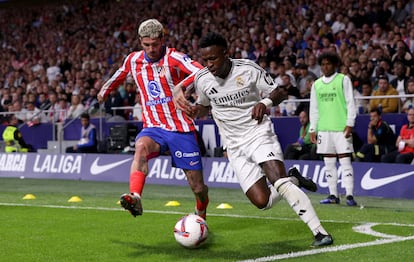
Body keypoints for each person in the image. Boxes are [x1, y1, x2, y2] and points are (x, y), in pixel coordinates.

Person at [174, 32, 333, 247]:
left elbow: (280, 93)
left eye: (213, 58)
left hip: (258, 133)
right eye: (205, 60)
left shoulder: (247, 69)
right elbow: (205, 105)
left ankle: (320, 233)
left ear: (226, 53)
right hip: (234, 145)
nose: (209, 64)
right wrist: (196, 111)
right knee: (262, 201)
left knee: (278, 179)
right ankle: (294, 178)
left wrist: (264, 102)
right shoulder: (203, 79)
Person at [97, 19, 210, 219]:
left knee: (197, 186)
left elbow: (202, 71)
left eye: (155, 44)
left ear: (162, 40)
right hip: (153, 127)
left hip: (180, 128)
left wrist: (181, 86)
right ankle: (135, 197)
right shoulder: (133, 60)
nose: (151, 49)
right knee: (140, 146)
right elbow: (119, 75)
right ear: (140, 41)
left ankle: (201, 210)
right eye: (146, 45)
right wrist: (105, 90)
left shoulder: (174, 58)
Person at [309, 52, 358, 206]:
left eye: (328, 63)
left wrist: (350, 122)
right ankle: (333, 195)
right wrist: (313, 128)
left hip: (341, 128)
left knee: (345, 161)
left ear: (335, 64)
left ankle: (349, 195)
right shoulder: (316, 84)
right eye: (322, 64)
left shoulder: (343, 79)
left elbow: (351, 102)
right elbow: (314, 108)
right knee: (329, 164)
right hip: (324, 129)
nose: (325, 66)